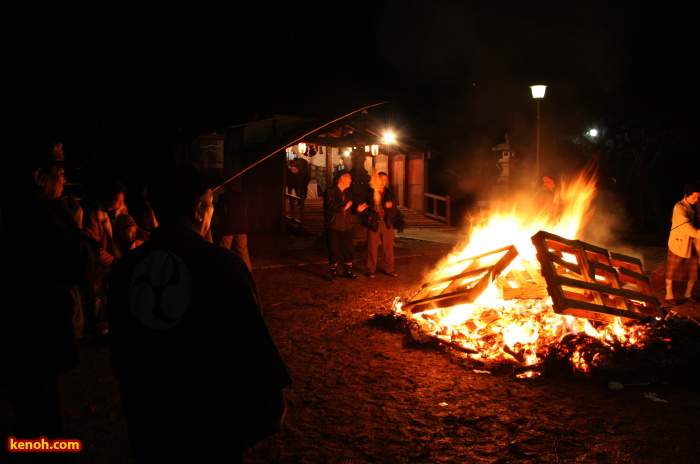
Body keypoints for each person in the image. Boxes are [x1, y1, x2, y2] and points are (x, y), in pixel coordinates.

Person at [108, 163, 291, 463]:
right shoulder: (223, 266)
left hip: (149, 422)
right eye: (211, 205)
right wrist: (267, 410)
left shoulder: (126, 269)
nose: (213, 213)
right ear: (197, 210)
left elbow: (120, 355)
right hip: (211, 424)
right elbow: (250, 348)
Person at [1, 137, 97, 451]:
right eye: (60, 172)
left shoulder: (15, 211)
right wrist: (71, 218)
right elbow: (79, 263)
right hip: (33, 338)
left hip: (22, 336)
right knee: (43, 424)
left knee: (31, 414)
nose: (65, 179)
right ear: (39, 176)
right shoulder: (35, 216)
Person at [665, 181, 700, 305]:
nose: (696, 199)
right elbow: (686, 226)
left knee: (693, 271)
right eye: (694, 197)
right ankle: (669, 294)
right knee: (672, 270)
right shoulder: (679, 207)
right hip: (679, 242)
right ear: (687, 195)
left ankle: (688, 294)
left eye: (698, 197)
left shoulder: (697, 206)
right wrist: (698, 234)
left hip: (694, 244)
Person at [361, 172, 398, 278]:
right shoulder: (370, 192)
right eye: (381, 179)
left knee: (388, 248)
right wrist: (382, 205)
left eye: (385, 179)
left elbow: (394, 206)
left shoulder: (389, 192)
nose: (383, 181)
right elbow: (370, 205)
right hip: (374, 222)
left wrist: (390, 208)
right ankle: (371, 269)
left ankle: (390, 269)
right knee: (372, 247)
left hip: (386, 222)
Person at [324, 171, 358, 280]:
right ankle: (333, 272)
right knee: (334, 249)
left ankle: (347, 271)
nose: (350, 181)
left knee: (348, 249)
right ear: (342, 178)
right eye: (349, 178)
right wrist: (343, 207)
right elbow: (330, 205)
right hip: (334, 224)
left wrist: (358, 209)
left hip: (346, 225)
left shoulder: (349, 192)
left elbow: (352, 207)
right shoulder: (330, 191)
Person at [215, 180, 252, 271]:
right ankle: (247, 271)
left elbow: (218, 211)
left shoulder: (223, 196)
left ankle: (224, 271)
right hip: (241, 226)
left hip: (227, 226)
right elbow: (247, 209)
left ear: (227, 185)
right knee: (242, 250)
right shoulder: (243, 195)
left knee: (224, 251)